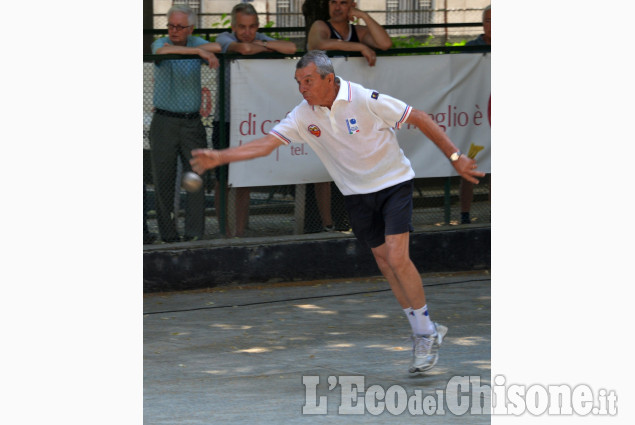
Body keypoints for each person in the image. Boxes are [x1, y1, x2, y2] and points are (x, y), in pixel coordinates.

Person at [190, 51, 485, 373]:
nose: (302, 88)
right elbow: (266, 144)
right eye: (298, 82)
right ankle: (422, 331)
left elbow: (421, 118)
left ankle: (426, 331)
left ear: (329, 79)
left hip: (393, 184)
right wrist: (220, 157)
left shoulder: (365, 99)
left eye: (308, 81)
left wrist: (456, 158)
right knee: (386, 264)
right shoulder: (304, 115)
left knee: (398, 257)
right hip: (357, 195)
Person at [306, 0, 393, 232]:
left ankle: (364, 220)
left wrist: (363, 16)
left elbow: (385, 43)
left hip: (353, 111)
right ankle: (326, 224)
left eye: (343, 2)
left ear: (351, 5)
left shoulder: (358, 30)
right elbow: (318, 44)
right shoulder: (320, 25)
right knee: (323, 167)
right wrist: (360, 48)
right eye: (333, 1)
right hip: (323, 108)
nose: (337, 7)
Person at [214, 3, 297, 237]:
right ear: (233, 26)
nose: (247, 32)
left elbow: (290, 47)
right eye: (241, 27)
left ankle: (239, 232)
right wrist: (257, 47)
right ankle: (224, 231)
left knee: (244, 178)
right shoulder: (223, 38)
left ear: (257, 27)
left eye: (252, 27)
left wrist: (261, 44)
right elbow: (242, 49)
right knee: (223, 179)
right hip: (225, 120)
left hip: (249, 121)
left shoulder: (260, 38)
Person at [149, 4, 221, 243]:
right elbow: (160, 53)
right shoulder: (161, 43)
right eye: (171, 25)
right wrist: (199, 53)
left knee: (196, 180)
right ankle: (168, 235)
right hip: (164, 122)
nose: (174, 30)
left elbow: (218, 46)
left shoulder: (195, 42)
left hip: (192, 123)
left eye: (180, 26)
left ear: (190, 28)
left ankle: (194, 234)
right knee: (164, 180)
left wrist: (199, 49)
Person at [460, 4, 491, 224]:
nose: (491, 25)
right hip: (474, 117)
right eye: (488, 20)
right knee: (469, 167)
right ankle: (464, 215)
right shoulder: (470, 48)